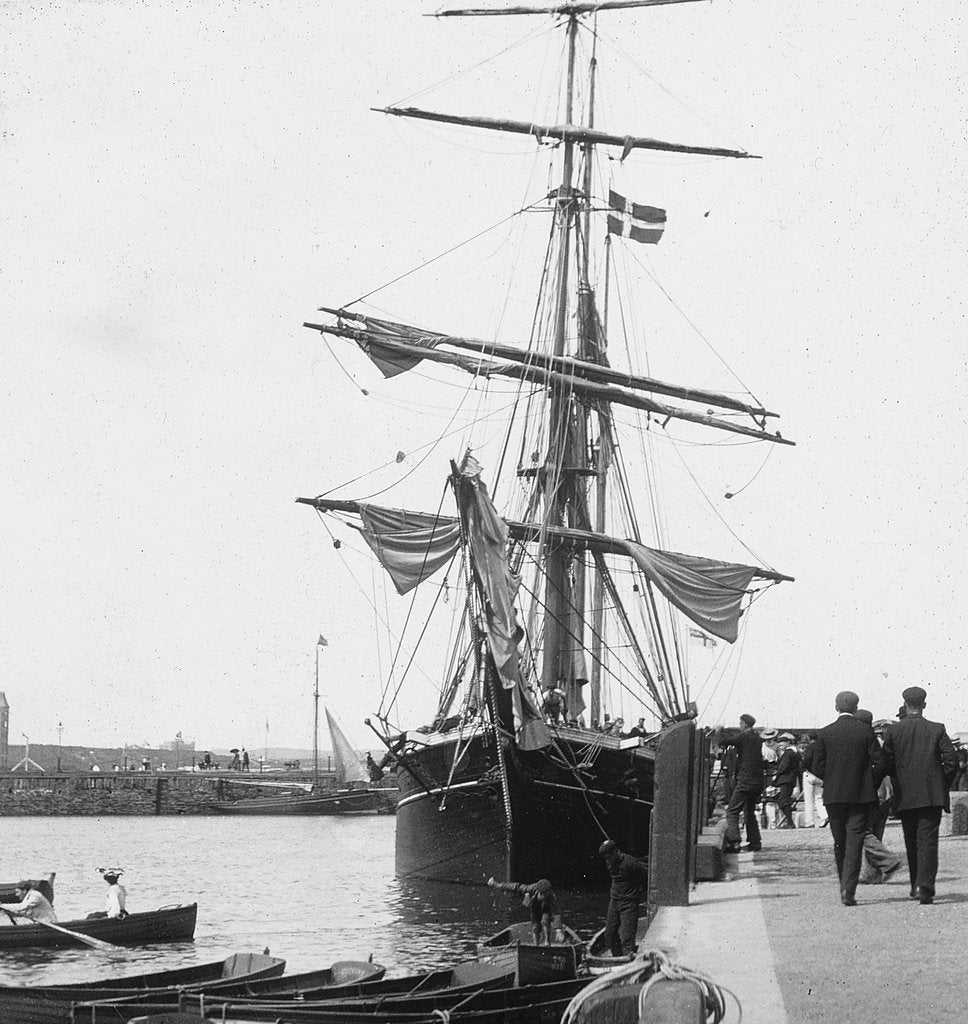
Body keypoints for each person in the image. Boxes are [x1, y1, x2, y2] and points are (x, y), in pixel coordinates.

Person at [881, 686, 957, 905]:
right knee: (928, 842)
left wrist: (898, 780)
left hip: (905, 796)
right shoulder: (937, 729)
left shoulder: (893, 731)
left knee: (911, 841)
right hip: (931, 796)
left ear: (905, 705)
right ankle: (925, 887)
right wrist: (940, 783)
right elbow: (951, 761)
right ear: (924, 705)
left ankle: (915, 884)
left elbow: (886, 762)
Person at [810, 691, 883, 907]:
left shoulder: (825, 733)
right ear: (856, 708)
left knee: (839, 841)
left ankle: (843, 881)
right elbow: (880, 763)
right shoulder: (866, 732)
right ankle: (848, 890)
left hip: (834, 796)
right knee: (855, 841)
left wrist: (831, 778)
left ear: (836, 707)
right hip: (860, 796)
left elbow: (815, 764)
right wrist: (869, 782)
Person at [855, 712, 903, 884]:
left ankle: (888, 861)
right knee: (876, 833)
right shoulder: (880, 741)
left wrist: (869, 786)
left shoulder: (864, 742)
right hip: (886, 793)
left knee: (861, 831)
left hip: (873, 793)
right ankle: (873, 874)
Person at [723, 714, 765, 853]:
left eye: (740, 723)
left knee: (732, 811)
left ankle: (734, 842)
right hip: (757, 780)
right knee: (749, 812)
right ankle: (755, 842)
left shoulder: (743, 737)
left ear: (745, 724)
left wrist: (718, 731)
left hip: (745, 780)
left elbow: (724, 741)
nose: (739, 725)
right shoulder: (757, 738)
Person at [599, 839, 648, 956]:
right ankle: (617, 957)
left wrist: (639, 892)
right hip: (615, 901)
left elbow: (645, 876)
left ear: (615, 852)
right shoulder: (609, 862)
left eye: (608, 857)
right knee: (609, 933)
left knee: (627, 937)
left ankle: (627, 958)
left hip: (629, 903)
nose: (607, 861)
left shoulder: (630, 863)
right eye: (605, 858)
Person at [487, 876, 557, 945]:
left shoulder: (551, 897)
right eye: (542, 894)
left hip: (547, 909)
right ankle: (536, 945)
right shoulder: (530, 889)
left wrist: (558, 929)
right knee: (536, 927)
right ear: (538, 891)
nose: (543, 896)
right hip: (535, 908)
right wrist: (498, 885)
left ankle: (547, 942)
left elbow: (557, 912)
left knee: (545, 921)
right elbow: (516, 887)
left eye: (545, 894)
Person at [773, 733, 802, 829]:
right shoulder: (794, 753)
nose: (779, 744)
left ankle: (790, 822)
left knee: (783, 801)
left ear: (788, 743)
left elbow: (783, 767)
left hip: (786, 779)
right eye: (779, 743)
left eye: (782, 742)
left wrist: (776, 776)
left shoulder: (788, 754)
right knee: (784, 800)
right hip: (791, 779)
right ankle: (790, 821)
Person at [799, 734, 827, 828]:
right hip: (820, 776)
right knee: (819, 798)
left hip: (809, 774)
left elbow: (807, 760)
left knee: (808, 799)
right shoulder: (823, 747)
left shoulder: (810, 747)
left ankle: (809, 821)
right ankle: (824, 815)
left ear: (809, 738)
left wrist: (803, 768)